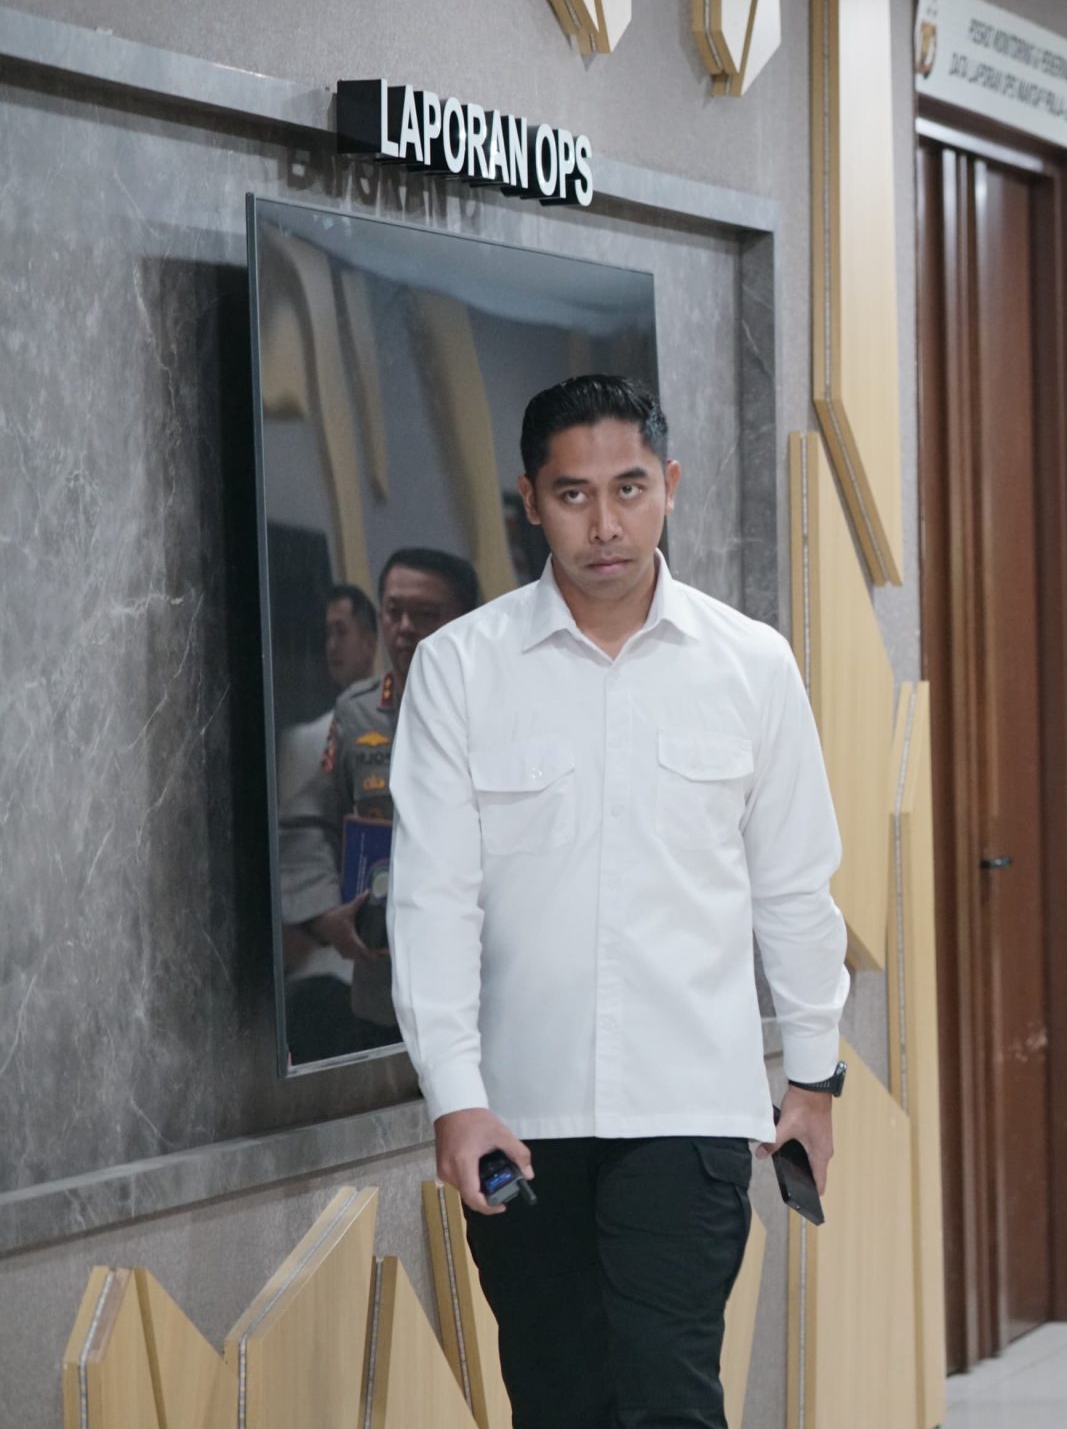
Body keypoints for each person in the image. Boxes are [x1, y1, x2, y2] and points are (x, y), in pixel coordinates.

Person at [389, 375, 853, 1429]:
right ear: (529, 499)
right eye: (574, 494)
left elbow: (794, 885)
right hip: (520, 1115)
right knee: (557, 1397)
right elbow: (432, 903)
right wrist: (455, 1096)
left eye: (630, 488)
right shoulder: (462, 669)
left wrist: (814, 1077)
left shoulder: (751, 664)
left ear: (670, 485)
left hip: (690, 1109)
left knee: (671, 1393)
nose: (605, 524)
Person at [279, 552, 481, 1055]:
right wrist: (324, 912)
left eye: (426, 614)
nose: (405, 628)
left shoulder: (508, 709)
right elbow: (309, 821)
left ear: (467, 620)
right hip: (386, 993)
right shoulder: (358, 715)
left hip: (488, 987)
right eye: (394, 612)